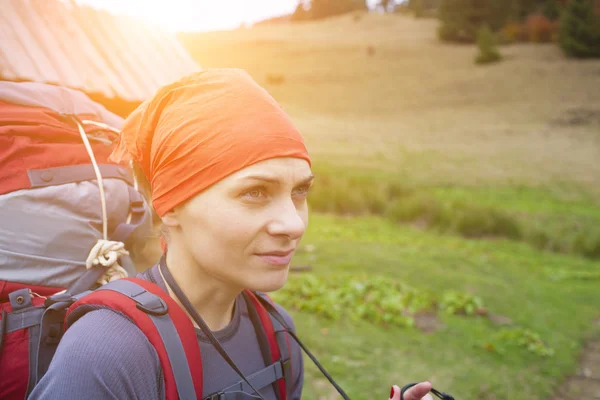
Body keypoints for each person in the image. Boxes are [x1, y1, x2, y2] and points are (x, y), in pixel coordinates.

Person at [29, 69, 433, 400]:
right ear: (170, 206)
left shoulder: (276, 331)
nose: (293, 223)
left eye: (300, 191)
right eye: (255, 192)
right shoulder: (107, 352)